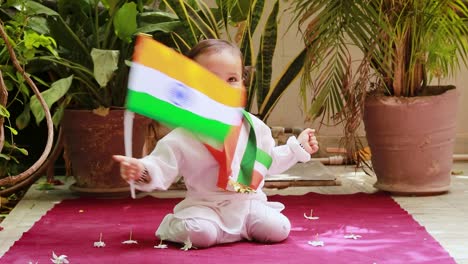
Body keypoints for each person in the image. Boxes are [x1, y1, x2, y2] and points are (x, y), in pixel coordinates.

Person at [113, 39, 319, 249]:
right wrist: (141, 170)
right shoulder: (184, 135)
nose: (223, 88)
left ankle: (240, 228)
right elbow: (161, 165)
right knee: (201, 234)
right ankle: (172, 225)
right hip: (205, 207)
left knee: (278, 228)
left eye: (232, 79)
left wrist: (298, 148)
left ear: (242, 83)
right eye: (211, 80)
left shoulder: (254, 128)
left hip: (247, 204)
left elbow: (268, 161)